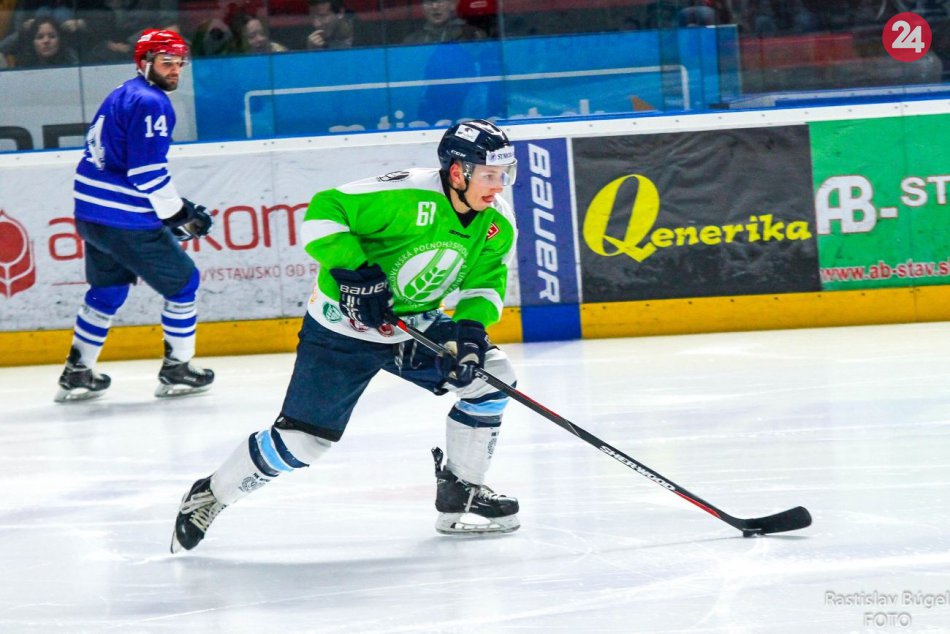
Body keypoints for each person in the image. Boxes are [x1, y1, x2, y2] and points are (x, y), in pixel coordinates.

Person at [170, 119, 521, 552]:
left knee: (490, 378)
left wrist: (468, 335)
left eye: (504, 174)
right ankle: (212, 494)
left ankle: (462, 492)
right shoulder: (407, 194)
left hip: (412, 325)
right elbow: (324, 211)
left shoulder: (497, 222)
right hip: (341, 327)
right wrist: (357, 272)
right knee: (302, 443)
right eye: (489, 175)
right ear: (457, 172)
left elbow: (485, 282)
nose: (498, 186)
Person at [55, 29, 215, 403]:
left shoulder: (123, 92)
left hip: (92, 214)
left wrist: (173, 210)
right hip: (123, 218)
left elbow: (121, 162)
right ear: (144, 63)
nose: (174, 70)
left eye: (179, 63)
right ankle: (178, 367)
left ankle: (78, 371)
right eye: (166, 62)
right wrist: (178, 215)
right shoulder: (152, 102)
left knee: (107, 290)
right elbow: (146, 173)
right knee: (184, 283)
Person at [402, 0, 486, 44]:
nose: (434, 7)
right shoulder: (412, 41)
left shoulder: (472, 35)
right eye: (428, 2)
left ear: (452, 5)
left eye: (440, 1)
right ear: (422, 9)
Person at [10, 15, 78, 66]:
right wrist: (22, 31)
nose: (46, 41)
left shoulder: (72, 65)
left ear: (60, 40)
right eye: (40, 37)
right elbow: (4, 48)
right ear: (32, 42)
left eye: (52, 36)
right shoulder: (24, 68)